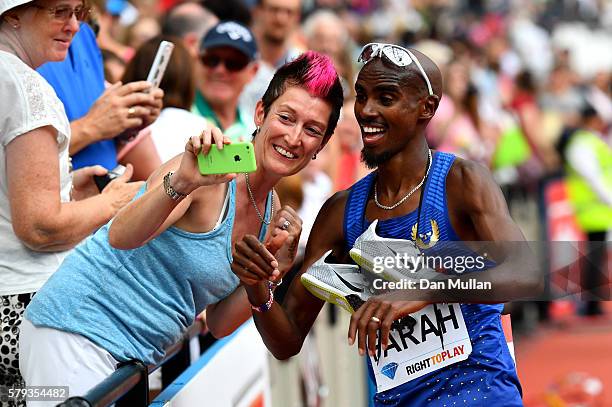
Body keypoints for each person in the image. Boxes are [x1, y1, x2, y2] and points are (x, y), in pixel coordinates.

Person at [20, 51, 344, 403]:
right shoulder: (208, 169)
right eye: (286, 117)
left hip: (131, 360)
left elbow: (219, 323)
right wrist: (184, 182)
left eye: (312, 130)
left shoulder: (272, 211)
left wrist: (273, 270)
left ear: (321, 146)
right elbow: (119, 235)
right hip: (74, 331)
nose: (294, 137)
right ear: (261, 113)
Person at [232, 44, 535, 406]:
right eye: (361, 96)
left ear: (428, 108)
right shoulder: (341, 213)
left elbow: (525, 271)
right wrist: (257, 288)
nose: (367, 111)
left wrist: (423, 289)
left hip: (484, 396)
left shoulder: (462, 182)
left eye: (386, 97)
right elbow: (288, 340)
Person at [0, 0, 142, 399]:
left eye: (78, 12)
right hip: (27, 310)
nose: (74, 26)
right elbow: (39, 227)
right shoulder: (27, 89)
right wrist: (111, 203)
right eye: (59, 11)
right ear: (13, 13)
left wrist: (67, 186)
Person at [192, 21, 259, 141]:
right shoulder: (174, 117)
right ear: (197, 60)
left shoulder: (255, 131)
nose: (220, 70)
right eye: (211, 59)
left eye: (234, 63)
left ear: (253, 71)